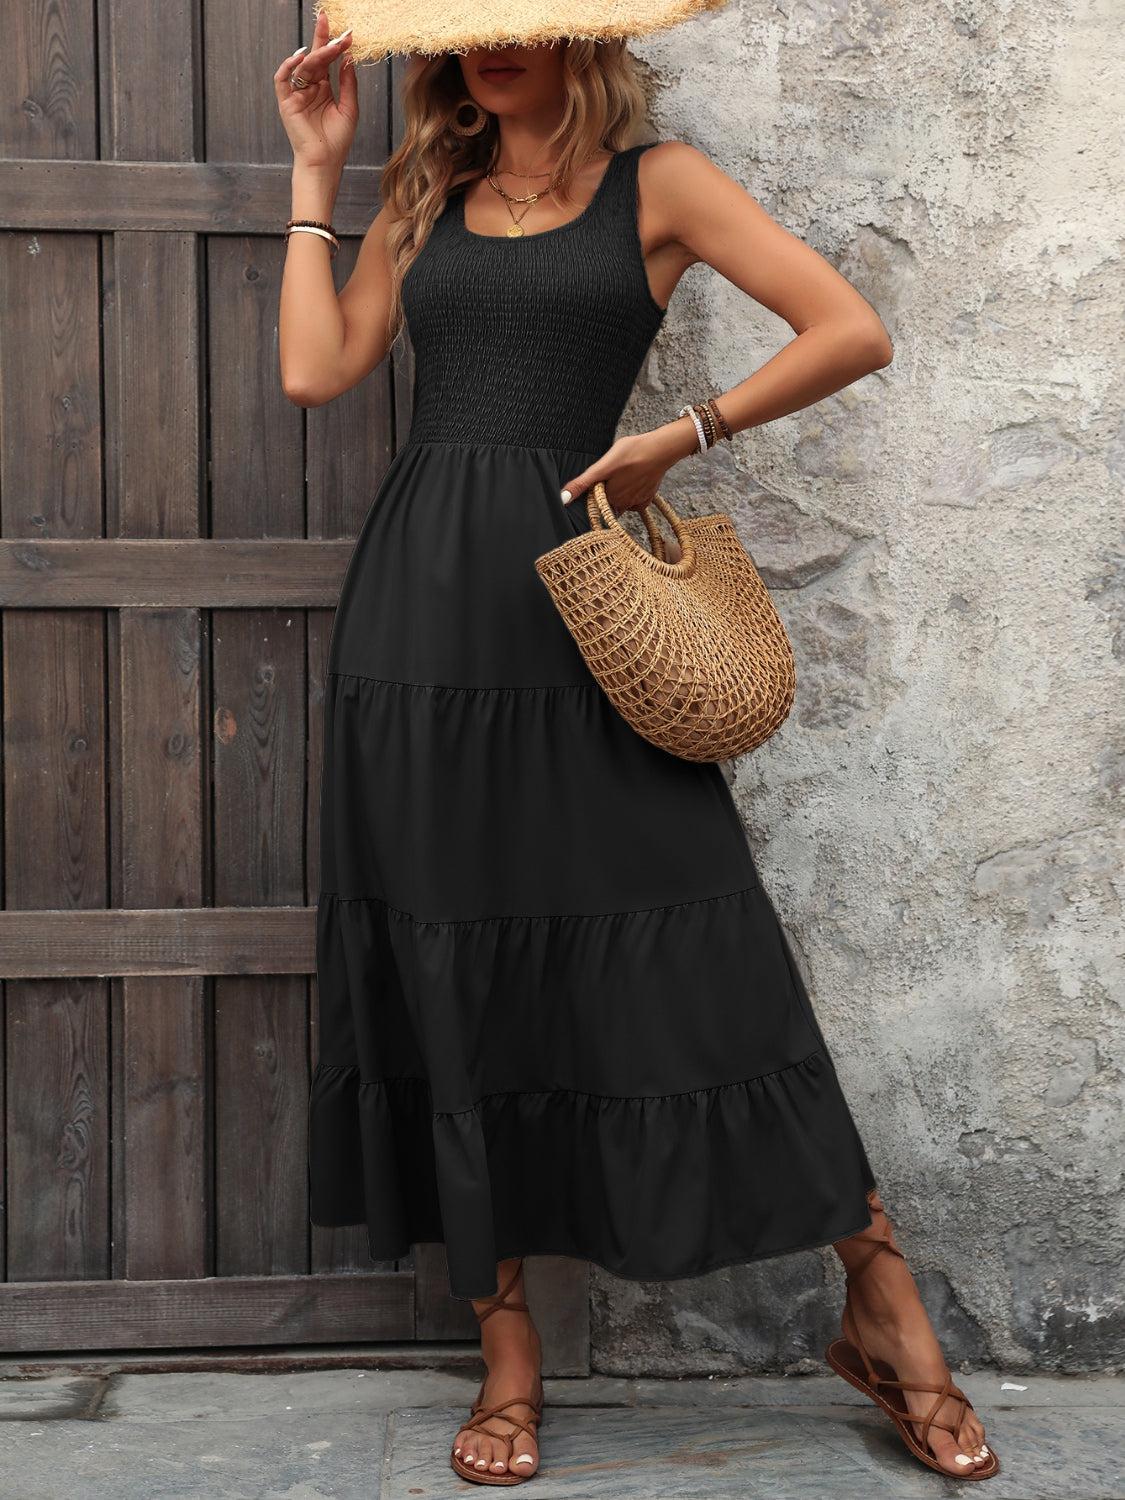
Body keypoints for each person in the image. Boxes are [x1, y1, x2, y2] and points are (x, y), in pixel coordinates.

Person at [274, 9, 997, 1487]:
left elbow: (849, 327)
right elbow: (315, 370)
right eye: (468, 27)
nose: (492, 45)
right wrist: (314, 170)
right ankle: (508, 1352)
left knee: (701, 939)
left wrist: (687, 433)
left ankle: (879, 1299)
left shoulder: (659, 183)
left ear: (580, 35)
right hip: (419, 624)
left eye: (521, 21)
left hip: (582, 615)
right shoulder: (428, 192)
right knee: (450, 948)